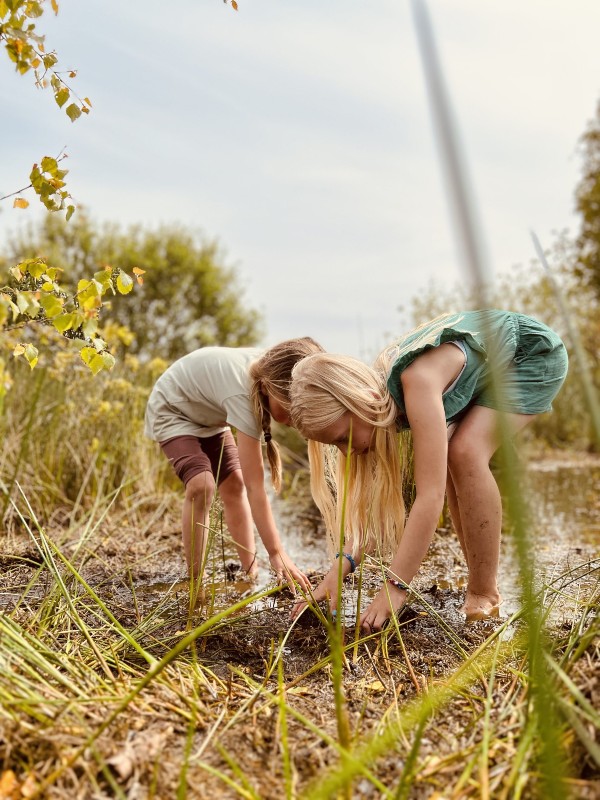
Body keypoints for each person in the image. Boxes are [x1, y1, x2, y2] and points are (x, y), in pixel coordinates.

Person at [288, 310, 569, 629]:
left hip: (528, 354)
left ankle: (484, 593)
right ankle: (480, 584)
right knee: (451, 460)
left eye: (342, 439)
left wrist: (394, 587)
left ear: (363, 401)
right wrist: (335, 576)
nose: (345, 451)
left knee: (465, 453)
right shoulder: (380, 408)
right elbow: (371, 514)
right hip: (489, 370)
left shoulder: (417, 383)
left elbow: (429, 498)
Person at [144, 337, 324, 591]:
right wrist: (276, 551)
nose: (297, 416)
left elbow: (245, 486)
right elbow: (256, 487)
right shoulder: (243, 393)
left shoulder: (275, 367)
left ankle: (250, 573)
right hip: (173, 409)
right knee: (201, 485)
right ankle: (196, 581)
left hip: (208, 417)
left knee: (234, 484)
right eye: (292, 407)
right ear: (269, 388)